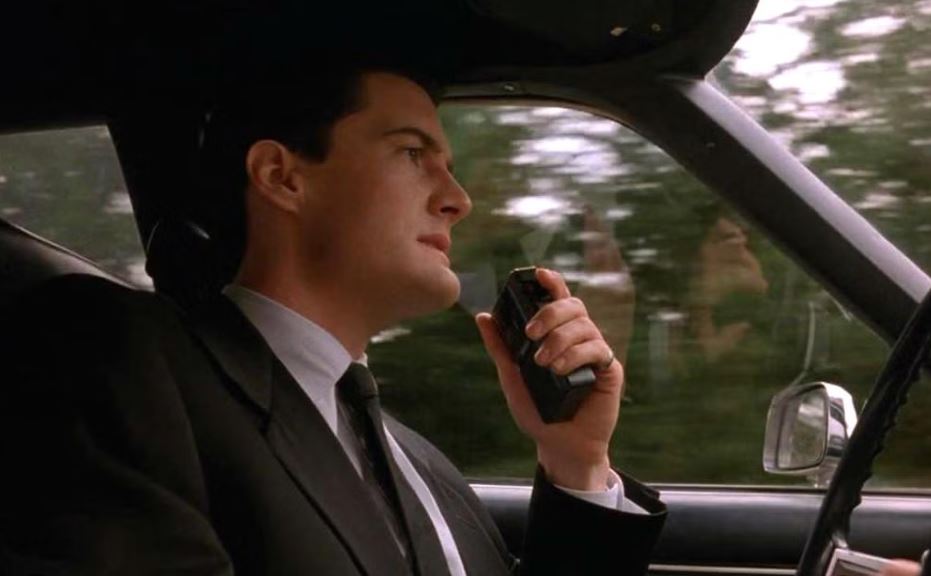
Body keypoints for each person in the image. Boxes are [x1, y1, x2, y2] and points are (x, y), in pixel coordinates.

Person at [0, 60, 666, 575]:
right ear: (282, 176)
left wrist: (576, 464)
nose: (457, 198)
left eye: (448, 165)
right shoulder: (118, 360)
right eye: (412, 153)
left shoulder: (423, 465)